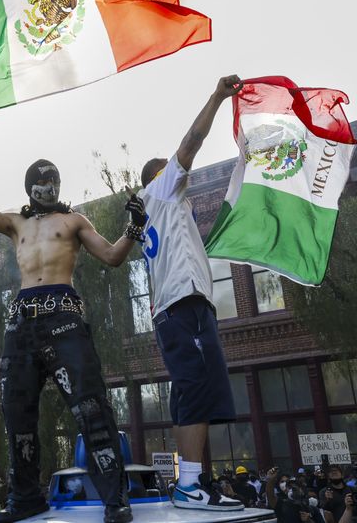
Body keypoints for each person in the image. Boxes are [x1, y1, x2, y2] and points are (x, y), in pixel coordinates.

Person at [0, 146, 145, 523]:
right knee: (16, 413)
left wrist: (133, 228)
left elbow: (113, 256)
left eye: (52, 180)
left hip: (64, 316)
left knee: (89, 406)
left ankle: (115, 499)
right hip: (21, 322)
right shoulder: (15, 224)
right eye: (40, 181)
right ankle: (24, 499)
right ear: (29, 188)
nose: (47, 186)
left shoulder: (73, 221)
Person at [134, 74, 244, 511]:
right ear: (162, 175)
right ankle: (189, 484)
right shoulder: (162, 188)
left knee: (190, 392)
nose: (185, 173)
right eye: (175, 167)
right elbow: (193, 139)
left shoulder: (153, 210)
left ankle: (193, 482)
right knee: (196, 389)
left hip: (180, 307)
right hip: (183, 305)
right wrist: (217, 96)